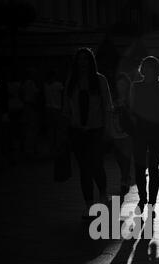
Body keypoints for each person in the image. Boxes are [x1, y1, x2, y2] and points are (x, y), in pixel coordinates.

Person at [64, 48, 113, 219]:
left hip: (95, 129)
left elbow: (107, 106)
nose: (82, 62)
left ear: (90, 62)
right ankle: (89, 204)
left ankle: (103, 192)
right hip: (77, 130)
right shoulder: (72, 81)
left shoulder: (99, 80)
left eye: (86, 59)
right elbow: (67, 106)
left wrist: (107, 128)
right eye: (80, 59)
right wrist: (67, 124)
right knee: (84, 169)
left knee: (96, 164)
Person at [131, 56, 159, 215]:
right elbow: (132, 109)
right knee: (140, 167)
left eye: (152, 67)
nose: (149, 70)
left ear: (156, 70)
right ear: (142, 69)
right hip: (140, 129)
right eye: (146, 67)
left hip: (156, 128)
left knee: (153, 167)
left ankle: (151, 202)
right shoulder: (136, 86)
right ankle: (143, 197)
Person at [111, 73, 134, 200]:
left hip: (127, 133)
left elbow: (134, 114)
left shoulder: (131, 98)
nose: (122, 86)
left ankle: (124, 180)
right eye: (120, 84)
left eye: (124, 84)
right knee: (119, 158)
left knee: (126, 157)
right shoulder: (112, 98)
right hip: (115, 131)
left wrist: (125, 108)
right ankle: (125, 176)